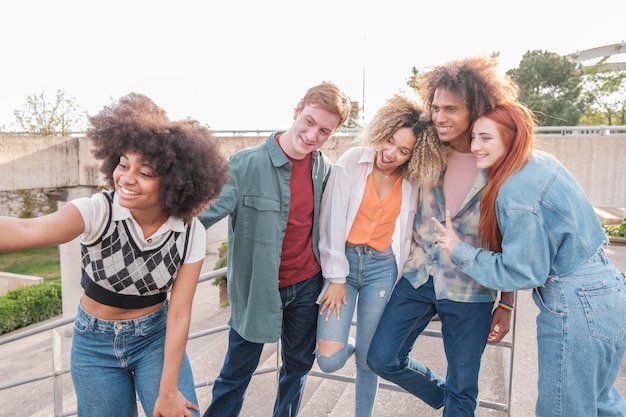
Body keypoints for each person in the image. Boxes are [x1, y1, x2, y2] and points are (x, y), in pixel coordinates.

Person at [0, 93, 230, 417]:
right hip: (94, 345)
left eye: (145, 172)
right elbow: (28, 231)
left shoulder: (190, 231)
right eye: (123, 164)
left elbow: (178, 314)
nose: (126, 178)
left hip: (155, 339)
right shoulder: (98, 211)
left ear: (173, 181)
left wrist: (167, 392)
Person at [433, 101, 626, 417]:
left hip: (576, 306)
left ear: (510, 137)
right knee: (602, 404)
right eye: (474, 137)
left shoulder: (517, 192)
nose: (475, 147)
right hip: (609, 290)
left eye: (486, 138)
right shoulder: (539, 163)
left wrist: (458, 249)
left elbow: (522, 272)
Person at [367, 56, 519, 417]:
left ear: (476, 108)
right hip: (419, 277)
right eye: (435, 107)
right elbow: (383, 158)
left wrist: (508, 302)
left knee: (465, 387)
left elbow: (508, 240)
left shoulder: (498, 165)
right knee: (382, 357)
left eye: (451, 108)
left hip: (472, 289)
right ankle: (444, 396)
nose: (439, 117)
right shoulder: (426, 150)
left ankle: (456, 401)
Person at [199, 82, 352, 417]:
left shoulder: (324, 169)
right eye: (309, 122)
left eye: (324, 131)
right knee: (235, 375)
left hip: (308, 285)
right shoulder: (243, 165)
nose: (312, 135)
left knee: (297, 368)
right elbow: (200, 218)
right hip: (258, 291)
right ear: (297, 109)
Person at [315, 92, 447, 417]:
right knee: (329, 360)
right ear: (382, 130)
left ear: (414, 156)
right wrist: (333, 276)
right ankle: (355, 344)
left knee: (368, 362)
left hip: (382, 270)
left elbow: (415, 232)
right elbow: (330, 222)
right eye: (389, 141)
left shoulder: (413, 182)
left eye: (404, 151)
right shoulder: (353, 160)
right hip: (342, 268)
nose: (390, 154)